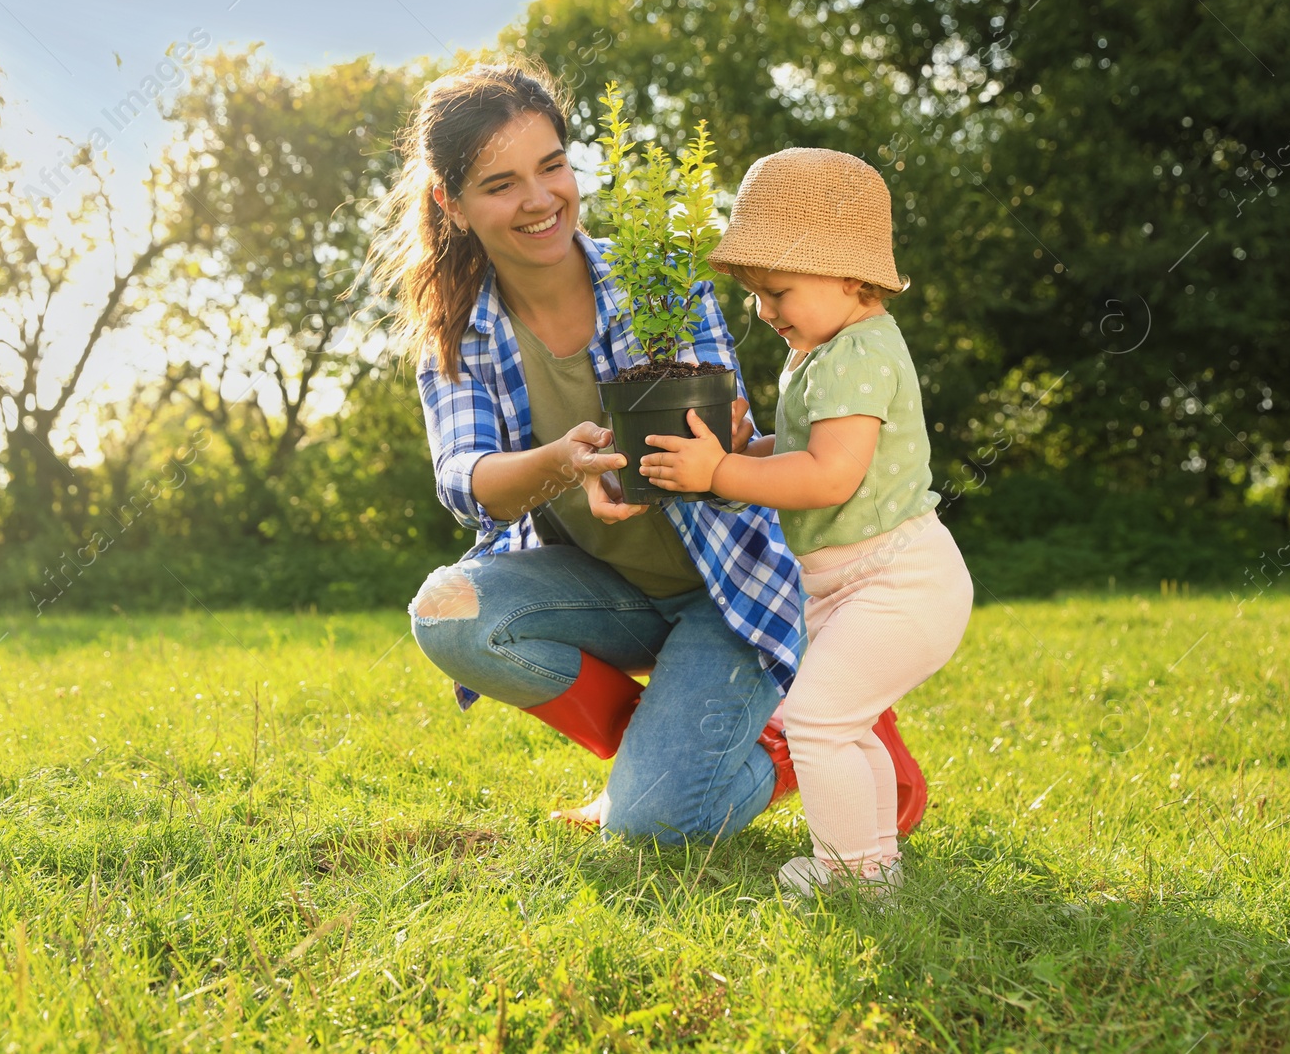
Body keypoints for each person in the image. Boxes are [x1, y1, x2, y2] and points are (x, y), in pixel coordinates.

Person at [362, 60, 927, 844]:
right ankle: (668, 751)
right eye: (501, 184)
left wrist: (722, 443)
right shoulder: (460, 338)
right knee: (447, 610)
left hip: (726, 590)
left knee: (650, 831)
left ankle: (780, 738)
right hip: (610, 591)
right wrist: (564, 460)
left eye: (552, 166)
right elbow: (467, 482)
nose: (539, 199)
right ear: (449, 202)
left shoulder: (657, 286)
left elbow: (738, 457)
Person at [637, 147, 973, 889]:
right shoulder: (826, 348)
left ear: (850, 276)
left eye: (778, 289)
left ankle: (852, 876)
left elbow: (829, 475)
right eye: (756, 292)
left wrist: (722, 472)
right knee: (841, 722)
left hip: (897, 581)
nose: (763, 310)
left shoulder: (858, 355)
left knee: (818, 721)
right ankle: (874, 865)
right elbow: (798, 451)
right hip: (855, 583)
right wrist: (742, 447)